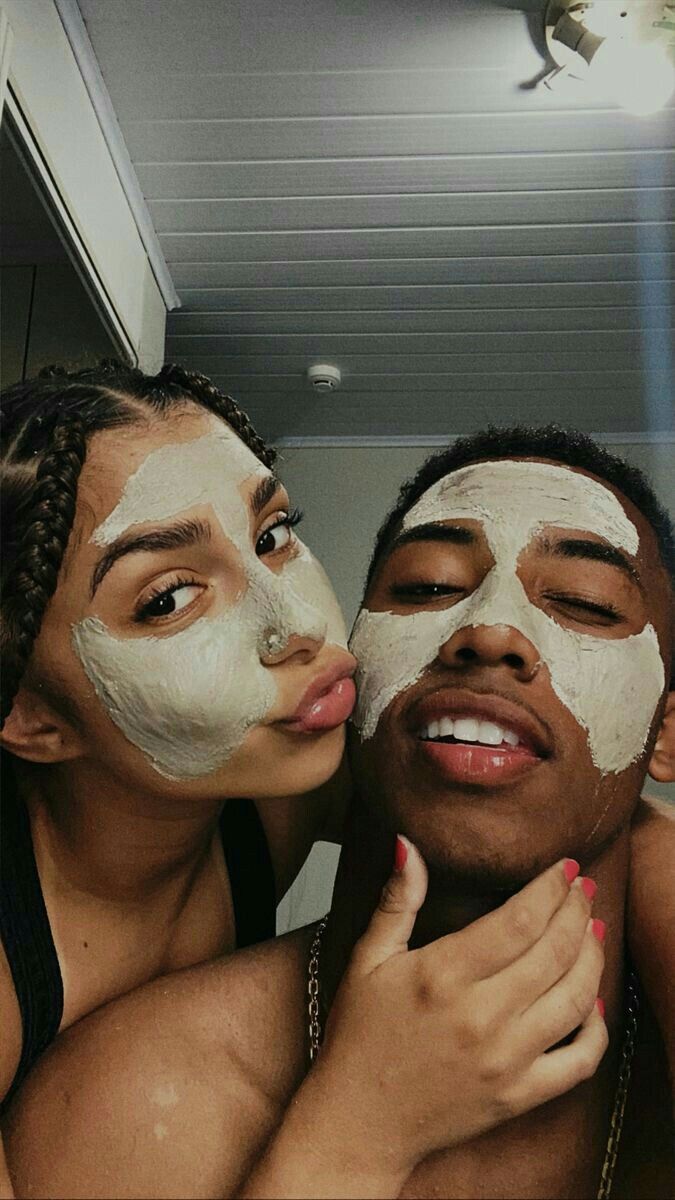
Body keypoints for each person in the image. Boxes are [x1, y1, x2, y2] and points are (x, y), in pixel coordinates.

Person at [4, 426, 673, 1199]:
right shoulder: (128, 1107)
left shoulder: (282, 774)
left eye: (585, 603)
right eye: (425, 587)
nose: (489, 631)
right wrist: (355, 1136)